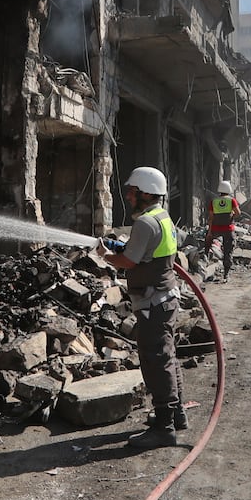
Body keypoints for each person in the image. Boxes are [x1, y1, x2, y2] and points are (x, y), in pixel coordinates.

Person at [98, 166, 186, 447]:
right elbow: (146, 251)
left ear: (146, 192)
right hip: (166, 298)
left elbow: (129, 262)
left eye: (132, 190)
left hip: (152, 302)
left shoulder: (145, 223)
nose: (128, 195)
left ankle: (164, 428)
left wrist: (106, 255)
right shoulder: (162, 217)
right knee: (167, 356)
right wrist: (120, 246)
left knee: (155, 361)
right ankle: (177, 414)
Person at [202, 181, 241, 280]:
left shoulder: (214, 202)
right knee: (228, 250)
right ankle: (226, 274)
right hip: (228, 229)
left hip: (215, 228)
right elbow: (238, 213)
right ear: (229, 190)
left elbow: (210, 218)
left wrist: (210, 232)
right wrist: (231, 216)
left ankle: (204, 262)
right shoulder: (232, 200)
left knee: (207, 244)